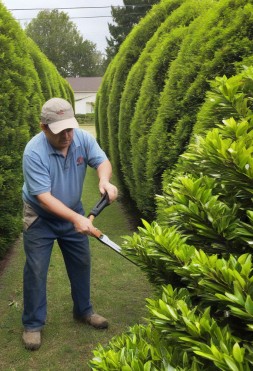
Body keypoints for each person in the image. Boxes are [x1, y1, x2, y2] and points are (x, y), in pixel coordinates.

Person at [21, 97, 118, 350]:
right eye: (59, 130)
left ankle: (84, 311)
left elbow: (102, 161)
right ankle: (33, 324)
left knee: (81, 262)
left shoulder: (81, 138)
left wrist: (104, 180)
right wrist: (77, 219)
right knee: (36, 268)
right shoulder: (34, 152)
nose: (67, 135)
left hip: (73, 210)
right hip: (40, 217)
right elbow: (44, 198)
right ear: (44, 128)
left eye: (70, 128)